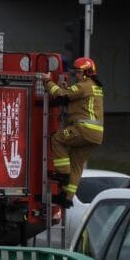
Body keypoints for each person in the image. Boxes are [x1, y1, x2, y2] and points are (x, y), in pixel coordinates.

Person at [41, 56, 105, 207]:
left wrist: (47, 81)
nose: (75, 75)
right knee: (76, 165)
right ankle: (67, 198)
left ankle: (62, 174)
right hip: (95, 135)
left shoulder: (84, 86)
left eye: (77, 72)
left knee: (57, 139)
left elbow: (62, 95)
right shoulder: (95, 87)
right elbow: (72, 98)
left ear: (86, 72)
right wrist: (65, 88)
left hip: (83, 129)